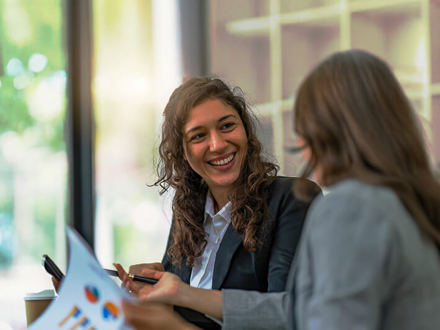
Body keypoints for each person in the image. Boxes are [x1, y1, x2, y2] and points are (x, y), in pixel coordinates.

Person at [122, 50, 440, 330]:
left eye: (305, 129)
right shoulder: (412, 202)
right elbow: (296, 310)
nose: (301, 146)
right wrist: (179, 292)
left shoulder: (350, 207)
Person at [117, 77, 319, 328]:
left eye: (227, 126)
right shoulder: (188, 211)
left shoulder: (292, 199)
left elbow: (284, 315)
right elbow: (176, 307)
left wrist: (179, 295)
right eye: (198, 136)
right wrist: (151, 284)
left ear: (245, 130)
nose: (218, 144)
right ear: (182, 153)